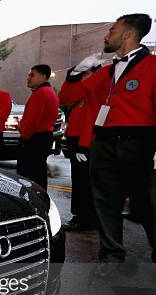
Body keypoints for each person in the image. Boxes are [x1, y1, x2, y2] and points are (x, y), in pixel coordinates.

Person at [60, 13, 156, 272]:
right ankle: (111, 256)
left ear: (127, 34)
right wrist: (75, 73)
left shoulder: (154, 66)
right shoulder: (106, 72)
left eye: (112, 30)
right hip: (102, 142)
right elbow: (67, 98)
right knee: (105, 202)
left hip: (138, 142)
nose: (106, 35)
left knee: (148, 204)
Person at [60, 67, 100, 232]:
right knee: (79, 180)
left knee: (84, 182)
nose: (82, 78)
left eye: (86, 74)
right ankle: (82, 216)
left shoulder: (96, 93)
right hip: (77, 142)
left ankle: (85, 218)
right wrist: (71, 77)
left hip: (86, 143)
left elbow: (92, 121)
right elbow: (64, 98)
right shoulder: (83, 92)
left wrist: (84, 146)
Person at [17, 64, 60, 189]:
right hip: (43, 137)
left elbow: (32, 120)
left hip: (34, 139)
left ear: (43, 76)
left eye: (32, 75)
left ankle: (33, 203)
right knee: (38, 174)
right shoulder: (48, 92)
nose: (28, 78)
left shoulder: (41, 93)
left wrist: (23, 134)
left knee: (29, 176)